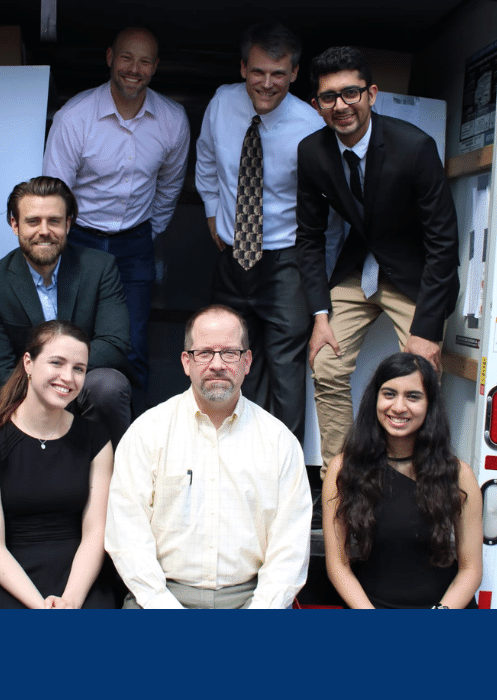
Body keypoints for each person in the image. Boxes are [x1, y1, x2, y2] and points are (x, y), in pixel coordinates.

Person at [295, 47, 460, 478]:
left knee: (420, 375)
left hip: (414, 273)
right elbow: (309, 239)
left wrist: (427, 331)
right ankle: (343, 478)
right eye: (329, 97)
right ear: (317, 106)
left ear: (371, 94)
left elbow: (444, 244)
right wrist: (319, 315)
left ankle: (418, 476)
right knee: (326, 363)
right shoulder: (312, 152)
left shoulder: (414, 147)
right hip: (357, 269)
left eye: (351, 93)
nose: (341, 105)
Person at [105, 304, 312, 609]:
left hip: (251, 599)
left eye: (230, 353)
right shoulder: (147, 432)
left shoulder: (279, 441)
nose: (217, 364)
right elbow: (127, 537)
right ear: (186, 362)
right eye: (204, 353)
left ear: (247, 362)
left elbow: (290, 548)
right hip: (160, 596)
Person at [195, 20, 331, 445]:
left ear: (294, 73)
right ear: (242, 68)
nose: (267, 83)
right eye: (258, 72)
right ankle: (234, 460)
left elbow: (326, 204)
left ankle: (284, 472)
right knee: (231, 360)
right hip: (233, 256)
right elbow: (206, 161)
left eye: (278, 74)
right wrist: (213, 213)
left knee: (287, 370)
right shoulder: (221, 104)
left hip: (285, 259)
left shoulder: (311, 125)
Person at [43, 26, 190, 401]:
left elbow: (170, 187)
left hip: (135, 243)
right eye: (126, 58)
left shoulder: (172, 120)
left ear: (156, 66)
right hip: (78, 240)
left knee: (133, 345)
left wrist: (146, 231)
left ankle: (130, 447)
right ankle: (69, 442)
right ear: (110, 57)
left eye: (144, 61)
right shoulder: (75, 116)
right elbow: (54, 195)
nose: (134, 69)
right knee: (69, 343)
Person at [0, 320, 115, 608]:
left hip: (79, 578)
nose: (68, 377)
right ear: (28, 363)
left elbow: (95, 533)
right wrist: (39, 605)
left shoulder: (96, 440)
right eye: (56, 363)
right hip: (10, 579)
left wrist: (70, 600)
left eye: (79, 368)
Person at [0, 176, 132, 448]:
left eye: (54, 221)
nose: (44, 231)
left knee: (108, 386)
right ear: (15, 224)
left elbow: (114, 343)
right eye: (33, 221)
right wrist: (45, 388)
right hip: (26, 393)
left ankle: (112, 483)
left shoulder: (99, 268)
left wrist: (64, 377)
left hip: (86, 388)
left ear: (68, 224)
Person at [322, 353, 482, 608]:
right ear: (375, 399)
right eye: (389, 394)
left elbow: (471, 570)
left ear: (430, 404)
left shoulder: (459, 474)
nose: (398, 407)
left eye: (413, 396)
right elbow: (337, 565)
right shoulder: (343, 469)